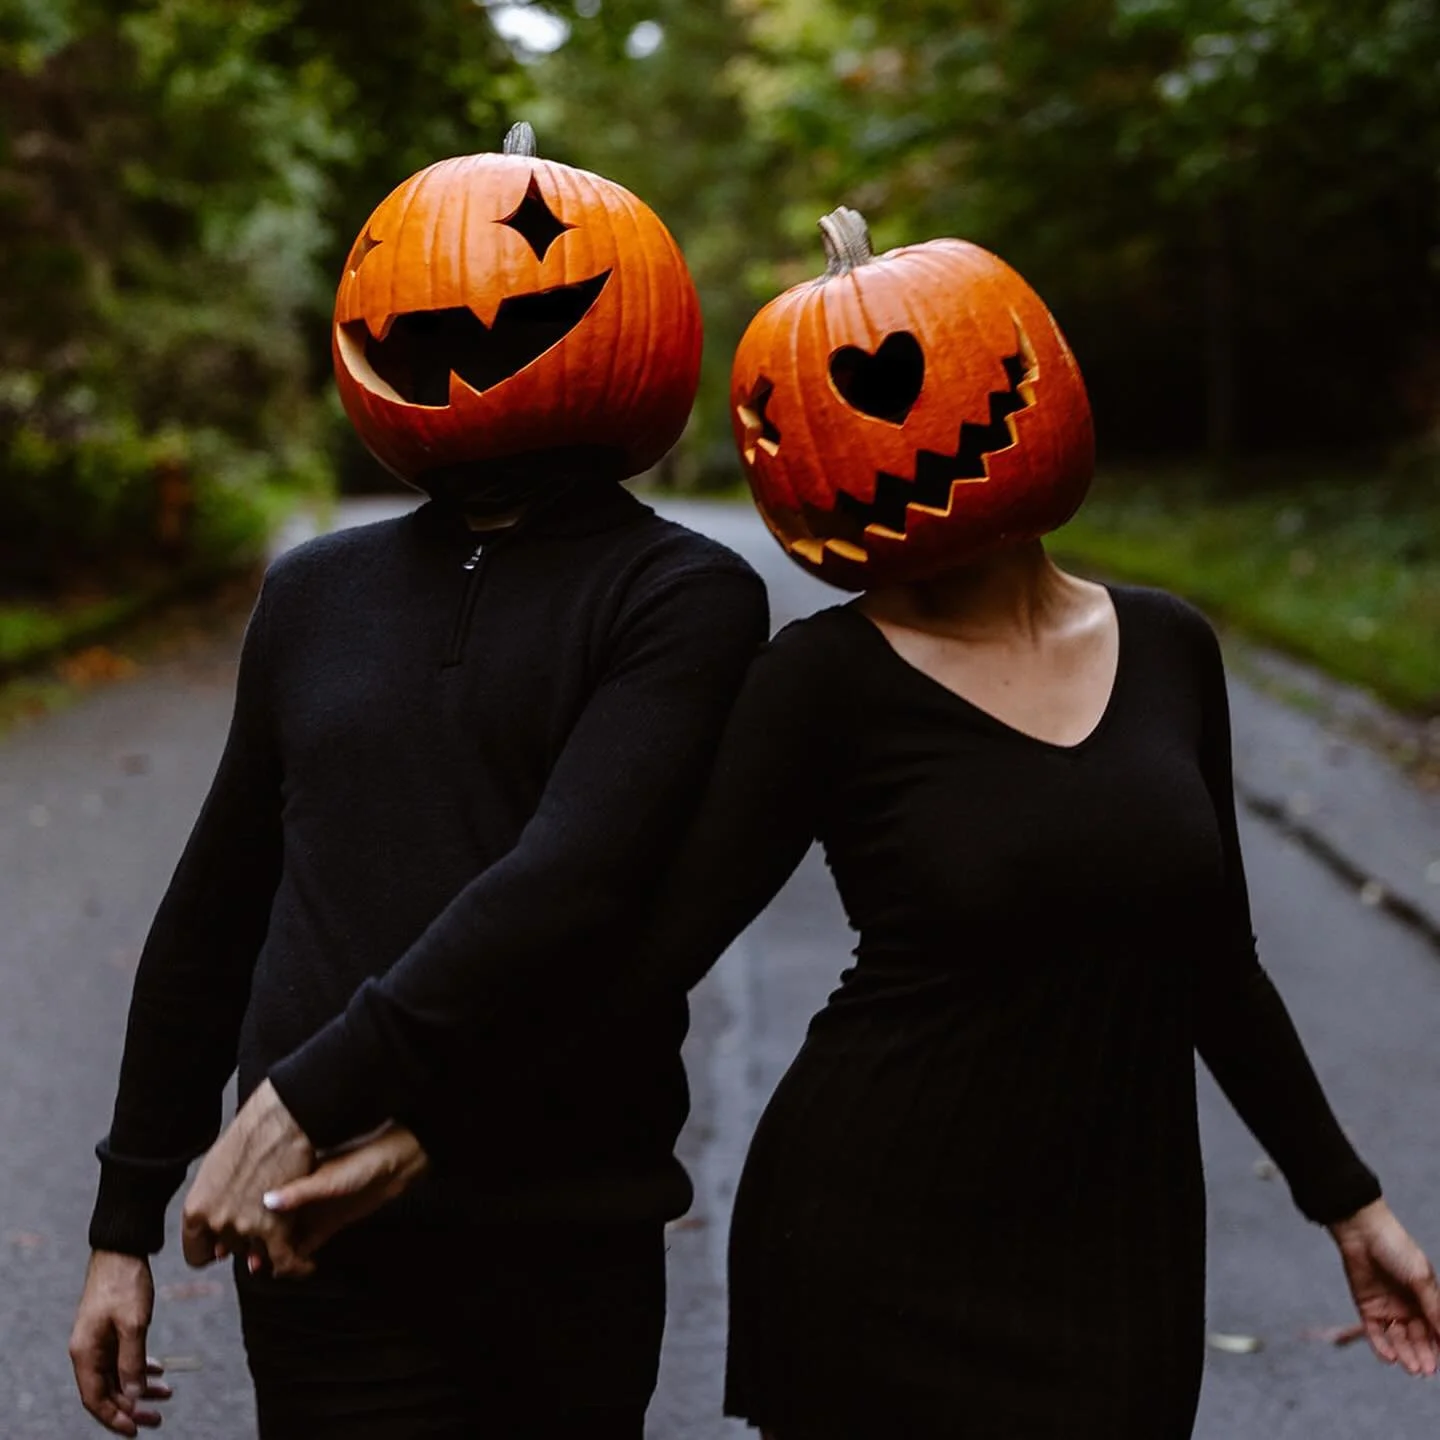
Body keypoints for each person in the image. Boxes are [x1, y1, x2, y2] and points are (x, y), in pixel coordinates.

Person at [262, 207, 1440, 1438]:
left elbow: (1219, 965)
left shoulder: (1169, 649)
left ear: (1027, 369)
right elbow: (649, 958)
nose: (864, 437)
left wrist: (1352, 1207)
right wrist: (426, 1133)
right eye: (801, 417)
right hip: (874, 1241)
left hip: (1123, 1246)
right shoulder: (823, 679)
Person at [68, 125, 768, 1439]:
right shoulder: (317, 592)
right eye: (411, 279)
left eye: (519, 283)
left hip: (558, 1218)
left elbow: (571, 884)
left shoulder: (683, 597)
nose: (456, 309)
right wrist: (123, 1225)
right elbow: (220, 905)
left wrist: (300, 1095)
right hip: (316, 1240)